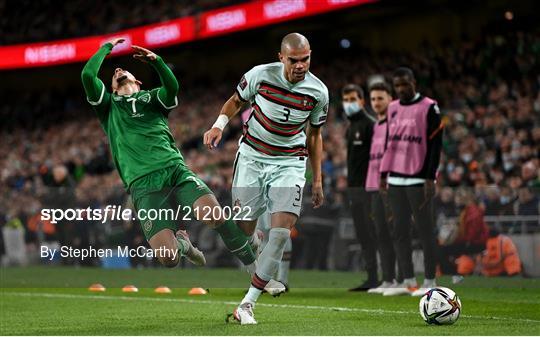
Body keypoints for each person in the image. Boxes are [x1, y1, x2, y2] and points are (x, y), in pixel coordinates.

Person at [81, 38, 261, 272]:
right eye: (114, 74)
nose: (117, 70)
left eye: (123, 70)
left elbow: (172, 88)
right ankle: (183, 245)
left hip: (174, 171)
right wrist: (106, 48)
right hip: (142, 185)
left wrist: (157, 62)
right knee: (168, 258)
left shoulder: (153, 98)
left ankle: (258, 270)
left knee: (214, 215)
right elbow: (87, 76)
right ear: (112, 89)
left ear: (139, 82)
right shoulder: (108, 107)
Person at [204, 32, 328, 324]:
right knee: (244, 228)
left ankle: (247, 304)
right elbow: (236, 100)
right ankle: (256, 248)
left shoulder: (318, 92)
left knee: (282, 232)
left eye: (306, 59)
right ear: (281, 57)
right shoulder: (261, 75)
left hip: (289, 163)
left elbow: (315, 135)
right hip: (252, 157)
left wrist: (318, 180)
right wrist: (219, 125)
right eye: (295, 60)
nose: (301, 65)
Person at [379, 67, 443, 296]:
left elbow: (436, 144)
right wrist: (383, 173)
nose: (401, 89)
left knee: (426, 231)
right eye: (397, 86)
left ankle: (430, 281)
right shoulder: (393, 108)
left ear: (414, 82)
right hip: (395, 178)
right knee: (400, 231)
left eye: (405, 84)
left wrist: (430, 176)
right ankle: (408, 282)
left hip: (418, 178)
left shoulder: (429, 107)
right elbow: (389, 142)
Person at [363, 82, 401, 294]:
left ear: (390, 98)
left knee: (394, 232)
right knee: (380, 233)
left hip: (390, 186)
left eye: (380, 98)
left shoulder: (395, 124)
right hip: (372, 186)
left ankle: (402, 279)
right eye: (374, 99)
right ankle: (388, 279)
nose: (376, 103)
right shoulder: (376, 126)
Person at [341, 84, 379, 291]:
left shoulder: (370, 125)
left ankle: (392, 277)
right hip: (354, 188)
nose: (349, 103)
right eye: (346, 100)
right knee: (363, 234)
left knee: (376, 232)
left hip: (369, 189)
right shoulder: (351, 128)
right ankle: (372, 278)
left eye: (352, 99)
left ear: (362, 101)